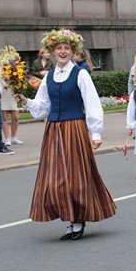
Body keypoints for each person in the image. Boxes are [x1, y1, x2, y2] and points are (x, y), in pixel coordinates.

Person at [16, 29, 115, 240]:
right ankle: (69, 216)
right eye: (59, 48)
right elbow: (43, 107)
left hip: (74, 129)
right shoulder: (49, 77)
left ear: (73, 51)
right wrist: (25, 101)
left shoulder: (80, 74)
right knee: (55, 177)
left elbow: (92, 103)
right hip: (53, 130)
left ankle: (78, 218)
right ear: (52, 51)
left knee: (76, 175)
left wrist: (95, 132)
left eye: (67, 48)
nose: (63, 52)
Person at [0, 46, 23, 147]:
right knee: (4, 117)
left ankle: (14, 136)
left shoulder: (16, 64)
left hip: (12, 92)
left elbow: (20, 78)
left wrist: (18, 91)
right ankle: (7, 138)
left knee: (15, 117)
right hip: (3, 92)